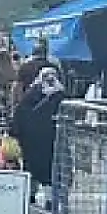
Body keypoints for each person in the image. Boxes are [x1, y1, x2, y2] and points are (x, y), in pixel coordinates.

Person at [10, 67, 66, 204]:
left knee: (30, 167)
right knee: (48, 169)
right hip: (50, 138)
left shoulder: (31, 93)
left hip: (30, 139)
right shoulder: (60, 94)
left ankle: (30, 195)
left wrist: (14, 132)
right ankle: (49, 198)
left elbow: (20, 112)